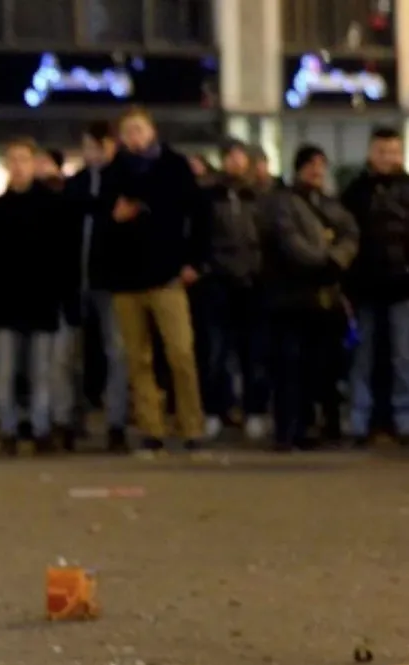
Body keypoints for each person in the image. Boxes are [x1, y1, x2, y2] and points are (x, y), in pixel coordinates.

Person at [102, 107, 207, 454]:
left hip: (166, 273)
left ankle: (191, 425)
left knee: (180, 353)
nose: (134, 137)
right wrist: (114, 218)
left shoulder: (174, 167)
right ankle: (152, 426)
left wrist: (194, 261)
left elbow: (198, 214)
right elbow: (100, 218)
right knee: (138, 358)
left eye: (139, 130)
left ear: (152, 131)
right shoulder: (114, 172)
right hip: (126, 277)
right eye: (128, 131)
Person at [0, 138, 74, 455]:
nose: (18, 166)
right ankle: (9, 430)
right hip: (5, 303)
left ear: (33, 164)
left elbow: (63, 257)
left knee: (40, 373)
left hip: (41, 301)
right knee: (7, 372)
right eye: (13, 160)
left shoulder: (53, 207)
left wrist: (64, 297)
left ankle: (39, 428)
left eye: (23, 159)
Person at [259, 145, 359, 451]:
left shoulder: (330, 203)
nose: (317, 171)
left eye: (321, 165)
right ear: (299, 167)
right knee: (288, 364)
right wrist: (324, 261)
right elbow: (289, 241)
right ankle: (286, 430)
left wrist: (336, 260)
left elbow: (350, 234)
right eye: (311, 165)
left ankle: (305, 427)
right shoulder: (283, 202)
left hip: (320, 299)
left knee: (314, 366)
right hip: (289, 296)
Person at [57, 120, 129, 452]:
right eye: (87, 147)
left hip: (111, 280)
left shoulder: (123, 182)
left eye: (95, 146)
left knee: (117, 352)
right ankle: (72, 418)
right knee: (72, 355)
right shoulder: (76, 185)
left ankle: (116, 422)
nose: (91, 153)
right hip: (76, 280)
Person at [340, 126, 409, 445]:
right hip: (365, 286)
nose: (389, 157)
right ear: (371, 153)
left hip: (402, 286)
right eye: (383, 151)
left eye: (394, 151)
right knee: (362, 357)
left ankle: (403, 419)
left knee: (403, 357)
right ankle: (359, 421)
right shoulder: (356, 191)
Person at [197, 138, 268, 441]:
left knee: (253, 354)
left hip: (253, 283)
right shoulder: (209, 197)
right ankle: (214, 412)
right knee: (216, 353)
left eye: (241, 157)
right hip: (219, 283)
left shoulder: (260, 196)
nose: (236, 163)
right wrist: (208, 267)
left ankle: (253, 412)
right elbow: (200, 236)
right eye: (231, 157)